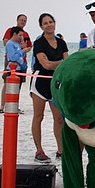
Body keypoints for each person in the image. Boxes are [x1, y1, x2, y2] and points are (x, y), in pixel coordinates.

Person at [29, 13, 68, 162]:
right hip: (40, 82)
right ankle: (39, 150)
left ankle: (60, 150)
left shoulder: (62, 43)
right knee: (39, 117)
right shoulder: (39, 43)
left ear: (54, 23)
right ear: (41, 26)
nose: (49, 25)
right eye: (45, 23)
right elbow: (46, 65)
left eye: (51, 22)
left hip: (56, 82)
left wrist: (57, 64)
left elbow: (67, 63)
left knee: (59, 118)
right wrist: (61, 62)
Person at [0, 14, 32, 113]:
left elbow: (29, 47)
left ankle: (14, 105)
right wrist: (20, 47)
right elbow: (5, 43)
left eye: (25, 20)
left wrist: (24, 49)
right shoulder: (10, 30)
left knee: (18, 84)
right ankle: (2, 106)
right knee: (7, 82)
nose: (23, 22)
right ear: (17, 20)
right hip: (11, 61)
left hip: (22, 61)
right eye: (21, 20)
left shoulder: (26, 33)